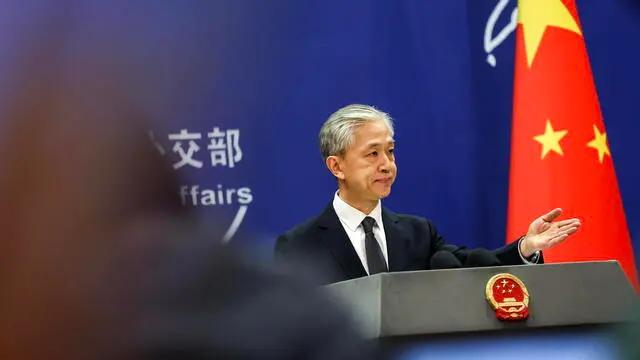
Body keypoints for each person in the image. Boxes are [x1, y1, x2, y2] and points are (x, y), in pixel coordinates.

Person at [274, 104, 581, 284]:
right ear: (336, 166)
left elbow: (473, 268)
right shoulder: (299, 246)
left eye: (390, 152)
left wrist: (526, 247)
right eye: (372, 154)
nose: (387, 165)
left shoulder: (418, 232)